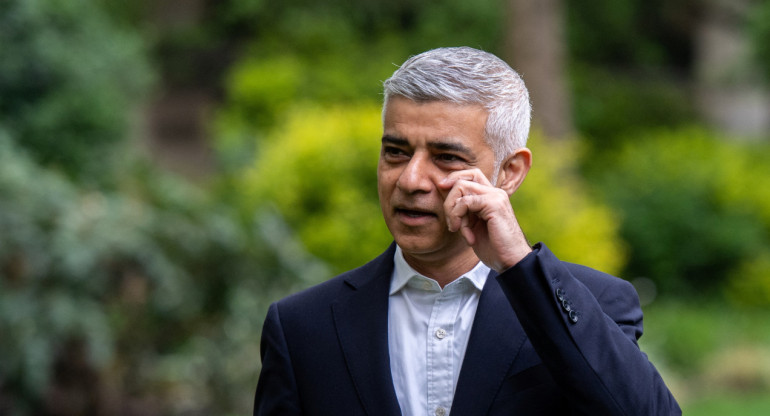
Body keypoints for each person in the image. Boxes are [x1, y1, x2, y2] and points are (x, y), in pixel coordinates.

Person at [254, 46, 681, 415]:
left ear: (510, 173)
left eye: (446, 157)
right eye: (396, 152)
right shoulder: (301, 328)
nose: (410, 180)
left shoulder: (597, 303)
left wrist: (519, 265)